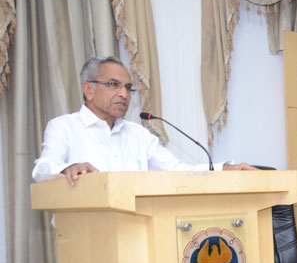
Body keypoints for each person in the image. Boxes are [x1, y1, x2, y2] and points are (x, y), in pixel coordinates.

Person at [32, 56, 256, 185]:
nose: (124, 94)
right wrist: (68, 168)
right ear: (88, 90)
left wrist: (222, 169)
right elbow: (41, 170)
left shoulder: (138, 134)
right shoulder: (64, 127)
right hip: (85, 236)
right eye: (113, 85)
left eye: (128, 88)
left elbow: (176, 170)